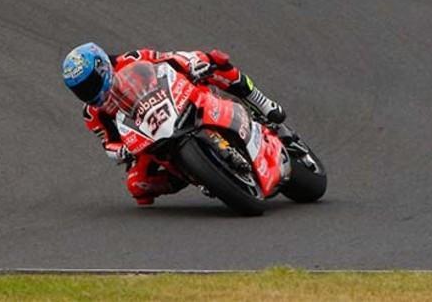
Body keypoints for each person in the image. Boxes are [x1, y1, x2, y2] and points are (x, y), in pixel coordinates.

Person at [62, 42, 286, 206]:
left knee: (214, 61)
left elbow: (170, 59)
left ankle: (261, 102)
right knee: (138, 186)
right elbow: (108, 143)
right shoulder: (93, 113)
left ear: (102, 68)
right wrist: (121, 151)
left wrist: (191, 64)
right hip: (150, 137)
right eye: (80, 90)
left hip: (180, 99)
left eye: (90, 83)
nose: (88, 92)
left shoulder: (132, 59)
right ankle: (192, 174)